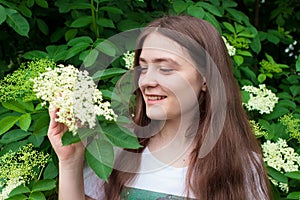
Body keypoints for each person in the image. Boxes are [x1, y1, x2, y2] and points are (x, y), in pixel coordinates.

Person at [48, 15, 272, 200]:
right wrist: (70, 161)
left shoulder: (240, 165)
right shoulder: (119, 151)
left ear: (205, 78)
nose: (145, 81)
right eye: (143, 68)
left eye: (165, 69)